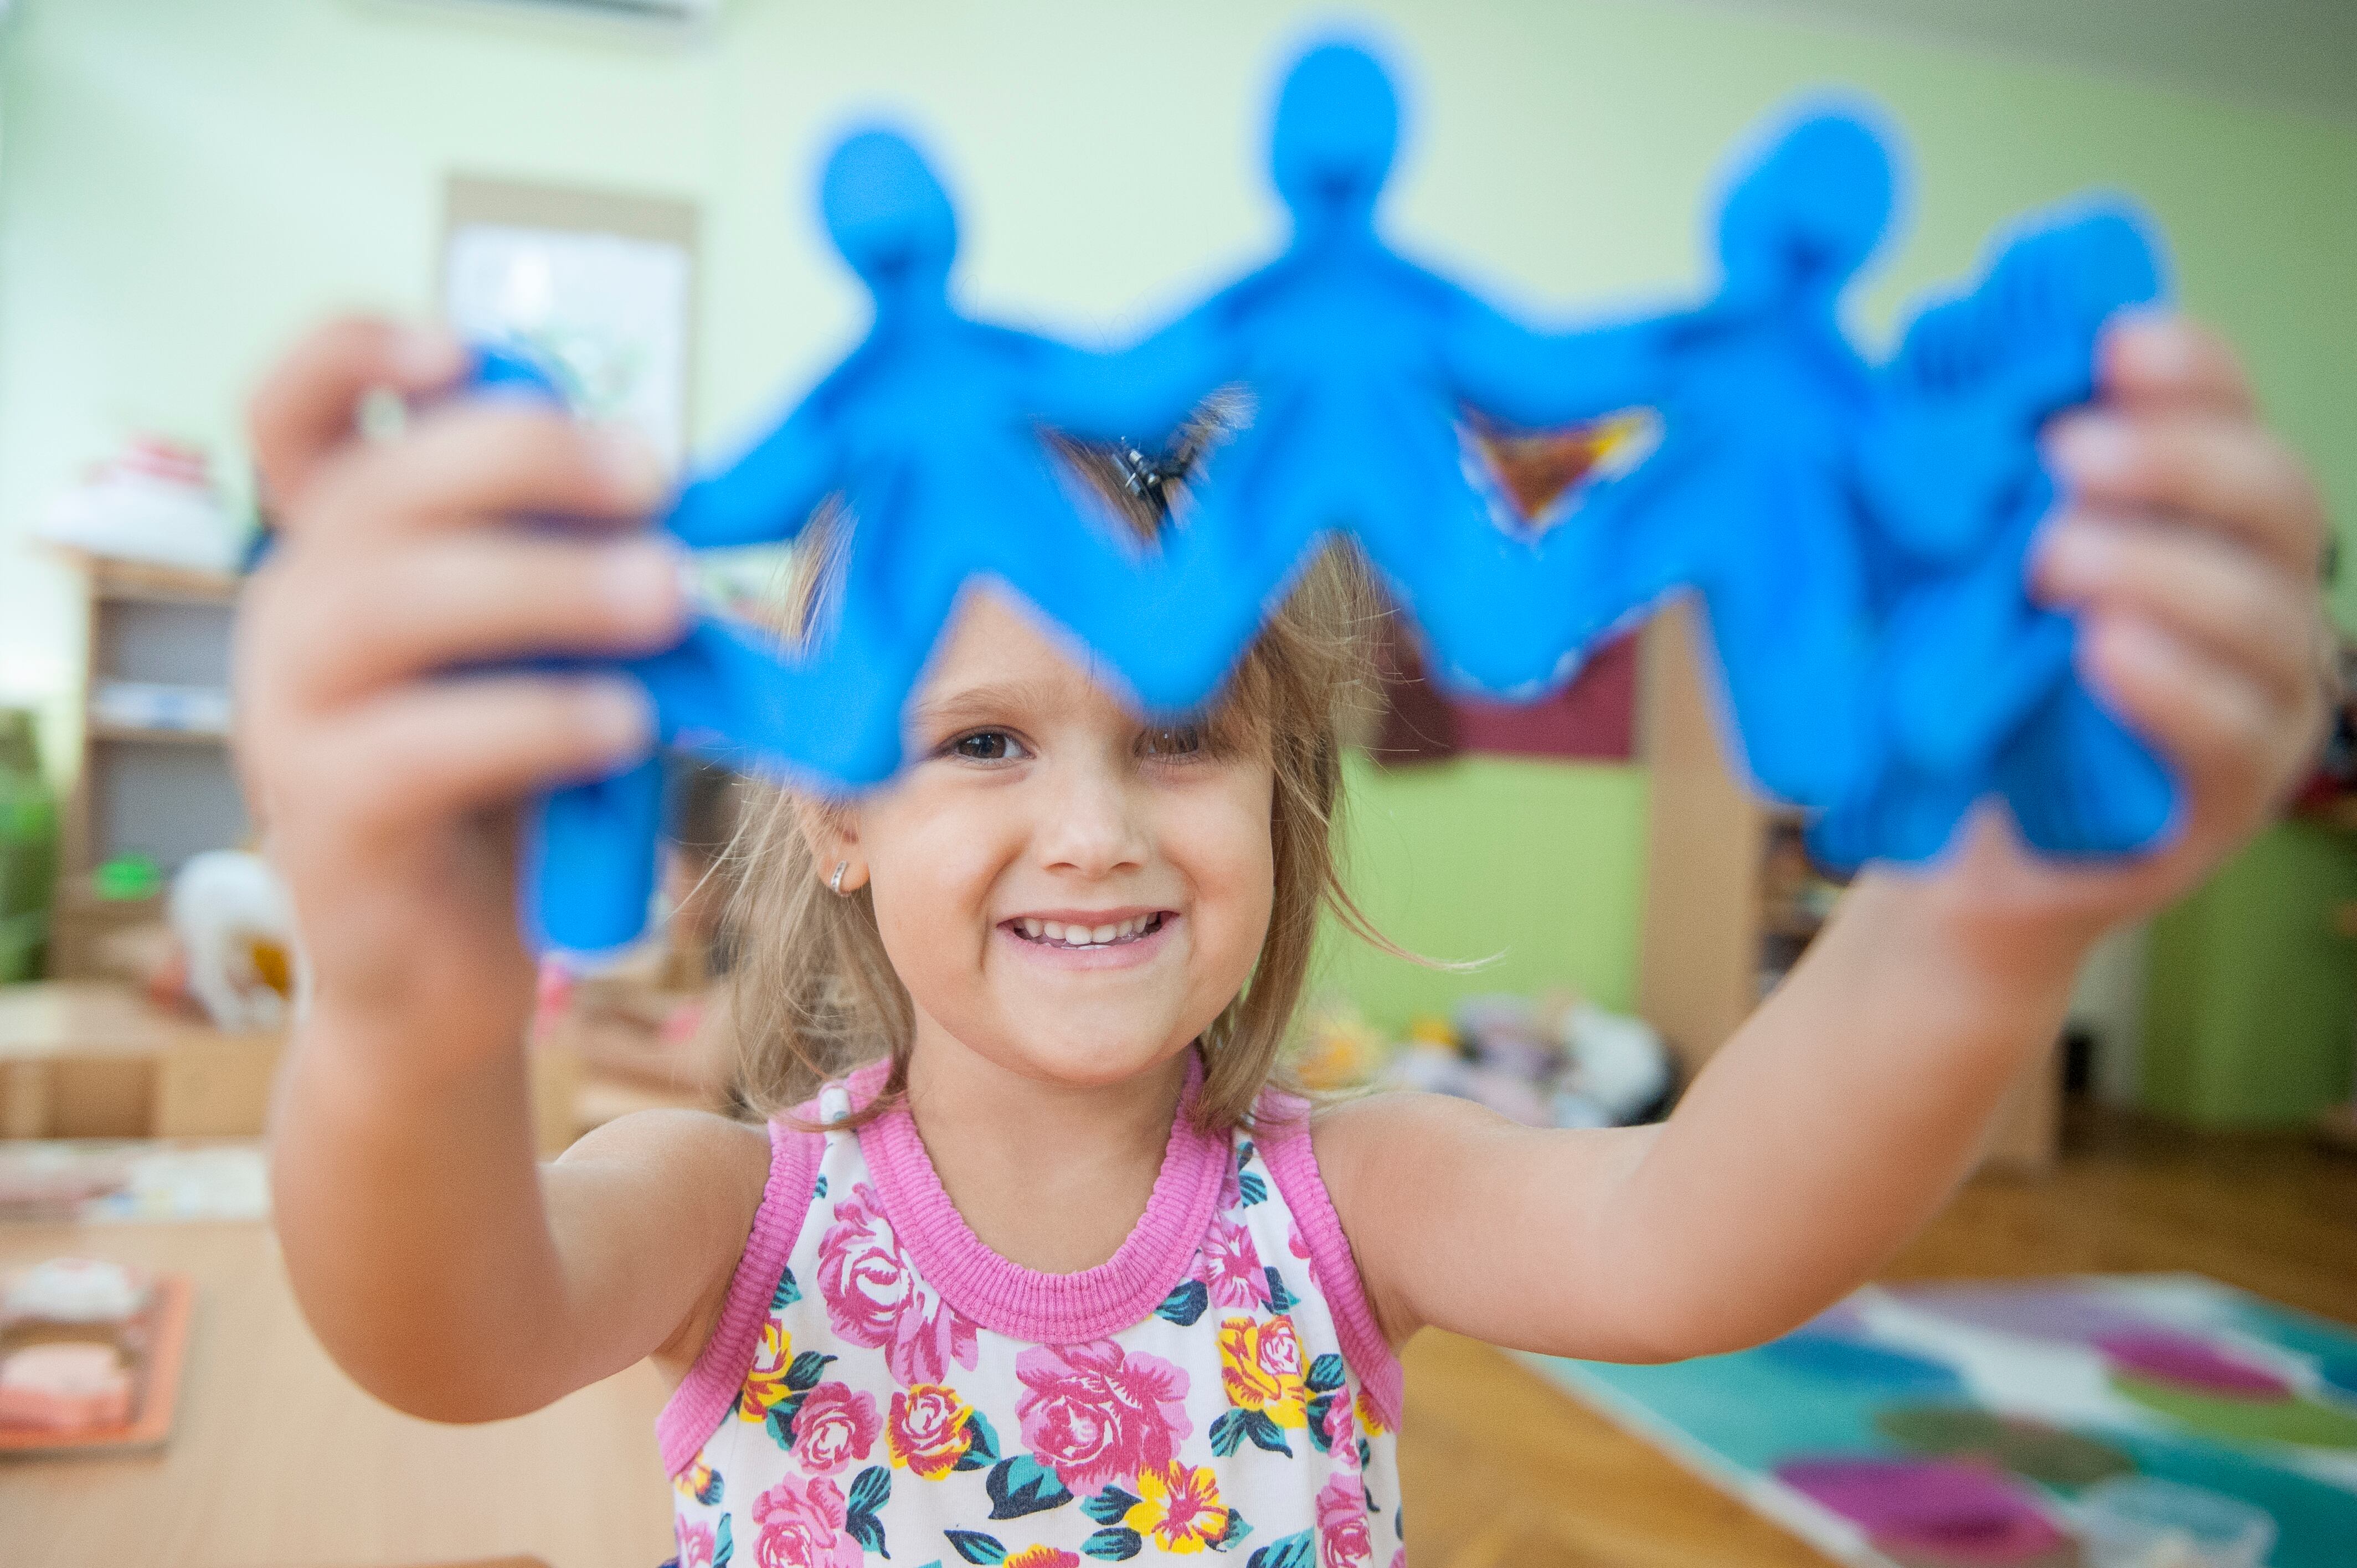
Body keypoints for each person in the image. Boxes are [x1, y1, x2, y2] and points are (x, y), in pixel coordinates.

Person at [235, 308, 2329, 1566]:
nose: (1091, 827)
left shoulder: (1353, 1200)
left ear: (1278, 794)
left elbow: (1709, 1233)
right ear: (842, 821)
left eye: (1177, 737)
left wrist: (1981, 926)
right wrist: (400, 1006)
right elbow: (448, 1331)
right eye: (981, 738)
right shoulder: (723, 1210)